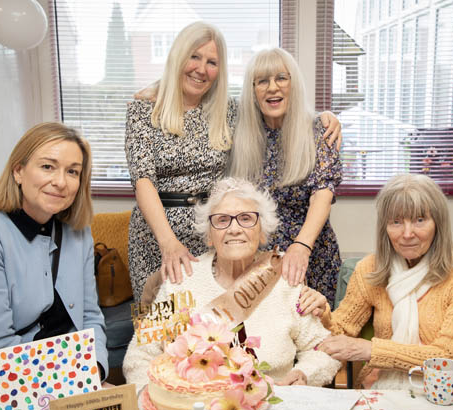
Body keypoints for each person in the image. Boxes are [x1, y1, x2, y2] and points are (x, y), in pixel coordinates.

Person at [124, 21, 341, 303]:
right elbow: (142, 180)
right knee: (155, 326)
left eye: (212, 62)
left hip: (217, 235)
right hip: (158, 236)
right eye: (194, 56)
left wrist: (327, 115)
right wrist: (168, 243)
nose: (202, 68)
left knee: (216, 326)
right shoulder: (144, 111)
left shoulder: (226, 111)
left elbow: (277, 107)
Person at [122, 178, 340, 389]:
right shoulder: (179, 282)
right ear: (209, 235)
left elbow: (323, 349)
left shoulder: (285, 278)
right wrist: (163, 402)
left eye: (246, 218)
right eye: (222, 220)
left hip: (272, 405)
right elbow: (138, 356)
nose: (234, 229)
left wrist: (304, 374)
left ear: (262, 232)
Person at [0, 122, 109, 383]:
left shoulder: (79, 233)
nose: (60, 182)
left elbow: (89, 317)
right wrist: (70, 384)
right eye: (47, 167)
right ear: (18, 171)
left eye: (73, 171)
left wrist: (95, 370)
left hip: (66, 371)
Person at [316, 174, 453, 390]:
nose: (407, 234)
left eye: (419, 220)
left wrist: (371, 350)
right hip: (381, 383)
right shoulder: (369, 269)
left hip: (451, 386)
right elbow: (340, 331)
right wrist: (321, 315)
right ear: (384, 228)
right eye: (396, 222)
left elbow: (448, 356)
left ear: (438, 224)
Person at [229, 47, 342, 306]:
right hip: (257, 260)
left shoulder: (319, 131)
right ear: (252, 90)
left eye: (281, 78)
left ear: (293, 84)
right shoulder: (240, 133)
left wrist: (301, 247)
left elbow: (323, 195)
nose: (272, 88)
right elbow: (199, 97)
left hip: (310, 255)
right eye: (262, 81)